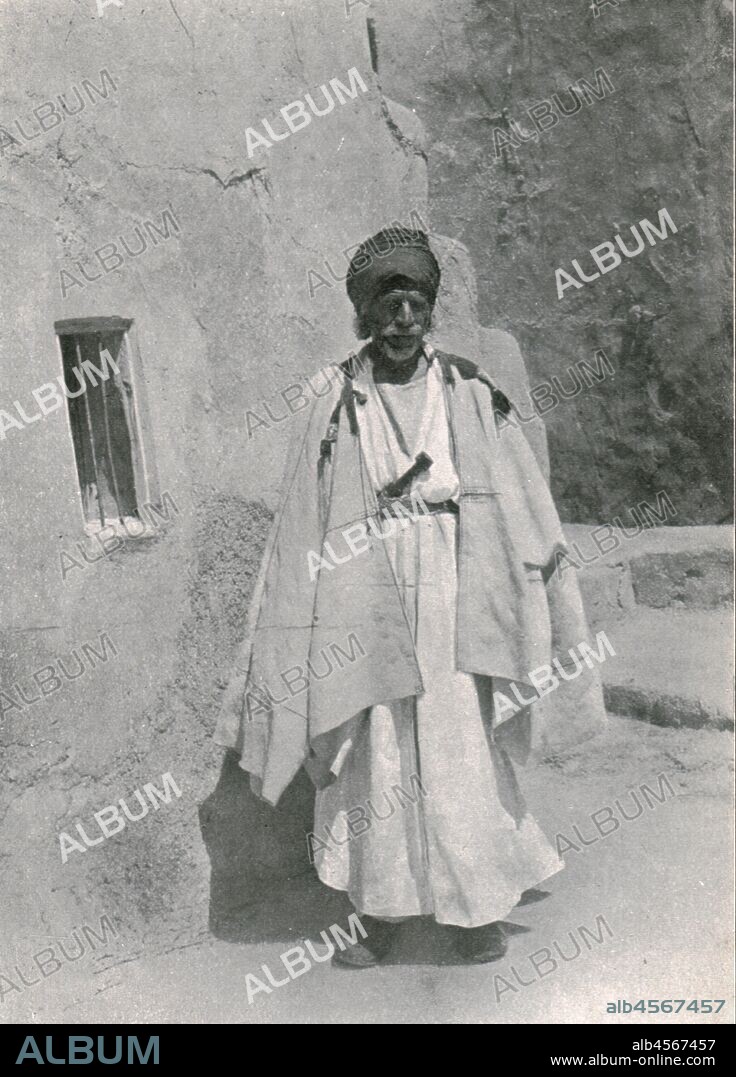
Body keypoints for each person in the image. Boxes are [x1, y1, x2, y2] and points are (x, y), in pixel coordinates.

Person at [216, 226, 606, 967]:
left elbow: (520, 494)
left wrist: (536, 589)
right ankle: (379, 912)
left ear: (430, 310)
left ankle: (476, 908)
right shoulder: (334, 401)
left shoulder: (469, 391)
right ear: (364, 313)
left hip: (455, 582)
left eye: (415, 303)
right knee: (377, 748)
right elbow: (304, 510)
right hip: (363, 583)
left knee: (459, 740)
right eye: (387, 304)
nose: (401, 319)